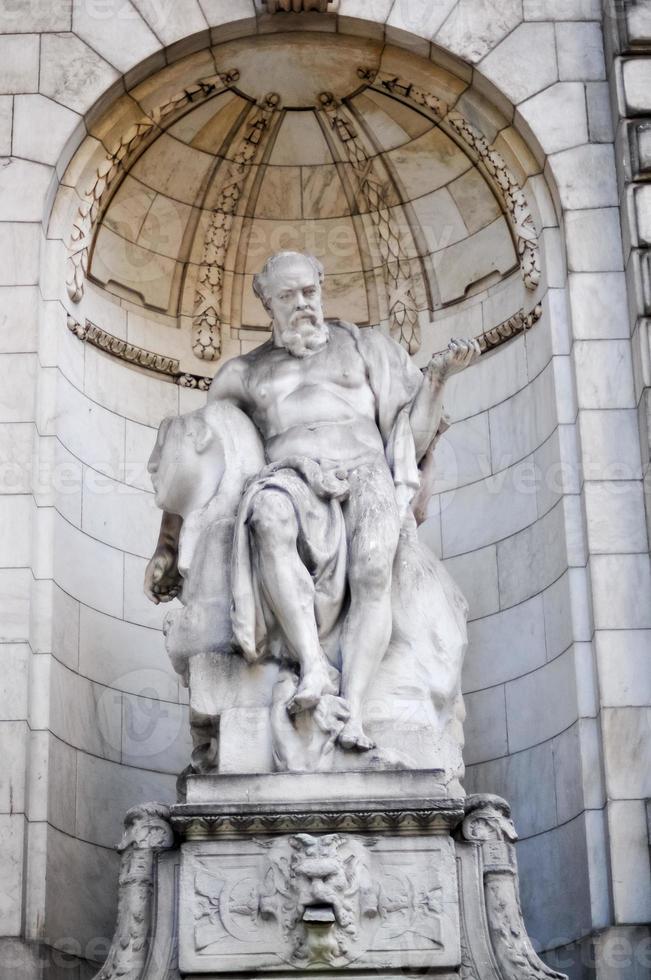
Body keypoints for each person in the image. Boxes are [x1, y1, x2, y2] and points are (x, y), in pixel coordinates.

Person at [145, 251, 479, 751]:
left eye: (309, 292)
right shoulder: (243, 374)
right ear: (267, 303)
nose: (303, 304)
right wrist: (168, 545)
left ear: (321, 288)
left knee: (372, 568)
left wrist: (437, 380)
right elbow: (200, 457)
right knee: (265, 516)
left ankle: (357, 711)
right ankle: (314, 668)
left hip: (365, 473)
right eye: (289, 296)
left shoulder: (366, 348)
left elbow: (415, 436)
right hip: (290, 478)